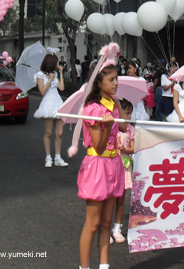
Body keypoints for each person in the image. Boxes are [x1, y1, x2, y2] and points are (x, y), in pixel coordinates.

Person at [77, 61, 126, 269]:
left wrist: (117, 106)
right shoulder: (92, 108)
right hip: (97, 165)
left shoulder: (112, 104)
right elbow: (97, 147)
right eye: (111, 79)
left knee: (106, 223)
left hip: (115, 164)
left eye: (117, 79)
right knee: (93, 224)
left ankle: (104, 266)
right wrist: (106, 127)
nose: (116, 83)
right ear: (98, 82)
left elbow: (124, 125)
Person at [33, 53, 68, 168]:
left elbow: (61, 88)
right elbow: (42, 91)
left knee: (60, 133)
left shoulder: (55, 73)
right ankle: (48, 157)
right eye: (55, 62)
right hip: (47, 103)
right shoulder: (40, 74)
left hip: (57, 103)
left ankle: (58, 157)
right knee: (48, 132)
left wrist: (61, 73)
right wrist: (49, 80)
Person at [111, 98, 135, 244]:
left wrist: (125, 149)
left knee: (121, 199)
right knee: (109, 198)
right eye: (126, 113)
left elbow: (133, 147)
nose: (128, 117)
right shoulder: (113, 126)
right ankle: (105, 228)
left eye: (130, 113)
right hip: (113, 164)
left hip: (125, 165)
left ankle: (117, 228)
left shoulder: (130, 128)